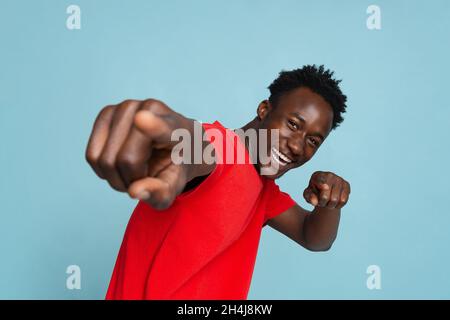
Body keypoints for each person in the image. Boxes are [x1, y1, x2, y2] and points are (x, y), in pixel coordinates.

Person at [85, 65, 351, 299]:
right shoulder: (220, 147)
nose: (296, 145)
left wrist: (330, 203)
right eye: (293, 124)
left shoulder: (264, 190)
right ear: (264, 109)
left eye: (313, 141)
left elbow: (314, 237)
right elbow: (197, 147)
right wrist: (172, 142)